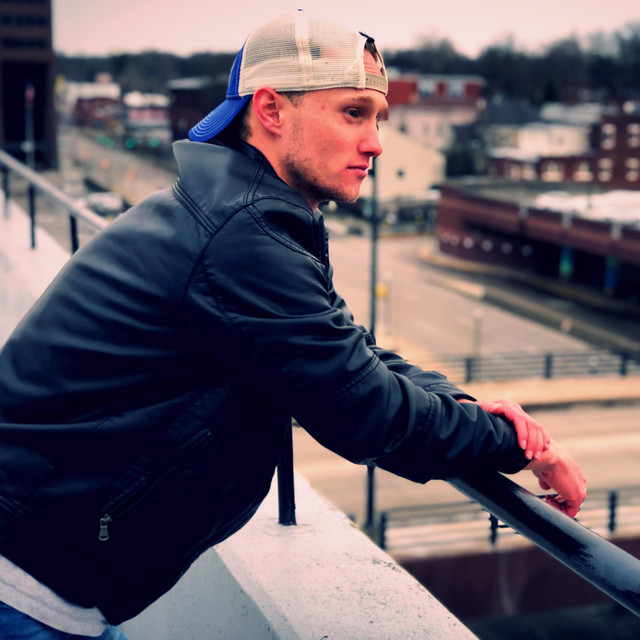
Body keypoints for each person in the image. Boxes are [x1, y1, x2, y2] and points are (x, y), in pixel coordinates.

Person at [0, 11, 585, 639]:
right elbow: (369, 414)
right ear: (272, 111)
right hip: (26, 587)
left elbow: (352, 353)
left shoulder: (239, 212)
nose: (376, 143)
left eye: (379, 119)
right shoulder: (241, 235)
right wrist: (523, 448)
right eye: (353, 113)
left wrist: (467, 407)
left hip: (51, 577)